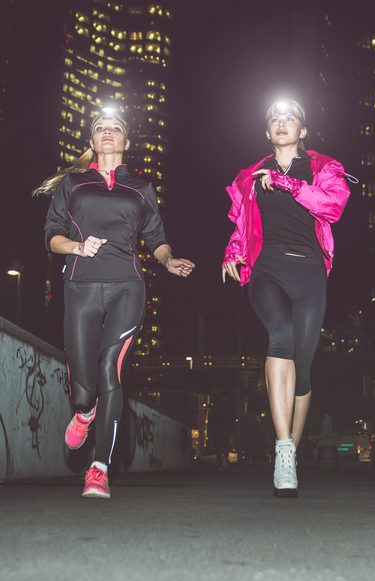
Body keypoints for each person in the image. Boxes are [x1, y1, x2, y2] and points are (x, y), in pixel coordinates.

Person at [35, 108, 195, 499]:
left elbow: (156, 237)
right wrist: (77, 246)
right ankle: (84, 411)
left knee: (110, 369)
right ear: (92, 142)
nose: (107, 132)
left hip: (127, 287)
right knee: (83, 387)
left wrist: (167, 260)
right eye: (100, 128)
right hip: (80, 286)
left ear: (126, 142)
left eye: (115, 128)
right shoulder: (73, 183)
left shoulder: (141, 188)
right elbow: (52, 235)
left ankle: (99, 469)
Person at [222, 99, 351, 497]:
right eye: (274, 119)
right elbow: (242, 223)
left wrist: (288, 184)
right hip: (267, 270)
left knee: (304, 367)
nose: (282, 123)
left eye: (290, 117)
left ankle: (292, 447)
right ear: (267, 132)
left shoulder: (323, 167)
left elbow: (333, 206)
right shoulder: (249, 176)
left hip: (309, 271)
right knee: (280, 336)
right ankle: (283, 450)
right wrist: (232, 252)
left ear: (302, 130)